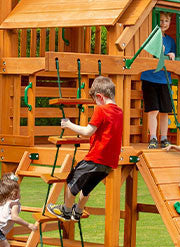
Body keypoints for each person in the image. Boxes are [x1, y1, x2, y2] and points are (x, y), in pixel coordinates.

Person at [46, 75, 123, 222]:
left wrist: (69, 125)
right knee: (87, 187)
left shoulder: (101, 110)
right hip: (109, 162)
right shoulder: (119, 112)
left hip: (95, 158)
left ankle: (66, 211)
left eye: (95, 101)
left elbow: (88, 132)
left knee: (71, 182)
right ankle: (78, 211)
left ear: (100, 97)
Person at [140, 11, 176, 149]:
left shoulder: (170, 40)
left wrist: (171, 54)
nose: (163, 23)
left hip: (164, 79)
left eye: (166, 21)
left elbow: (173, 57)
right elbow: (147, 52)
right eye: (161, 20)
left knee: (165, 111)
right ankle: (153, 137)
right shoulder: (150, 38)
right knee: (153, 110)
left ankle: (165, 138)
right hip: (149, 78)